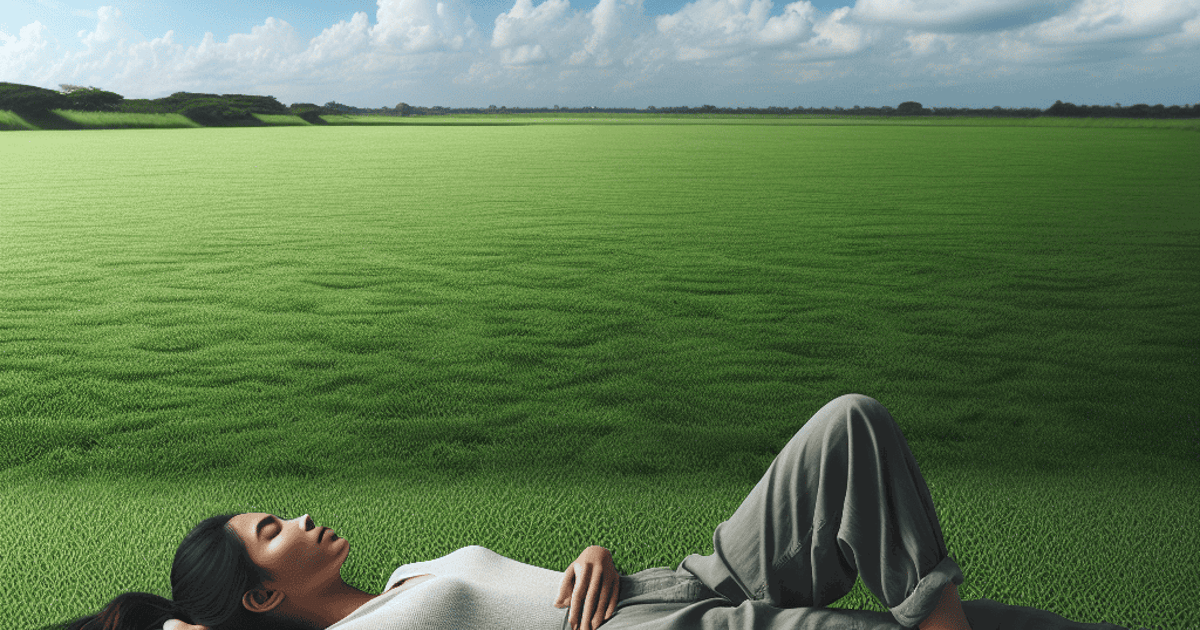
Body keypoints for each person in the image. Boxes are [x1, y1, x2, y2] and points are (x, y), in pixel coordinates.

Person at [63, 394, 1134, 630]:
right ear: (260, 589)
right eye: (270, 531)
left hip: (687, 576)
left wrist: (587, 548)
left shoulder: (398, 585)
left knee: (848, 425)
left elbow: (520, 581)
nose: (296, 516)